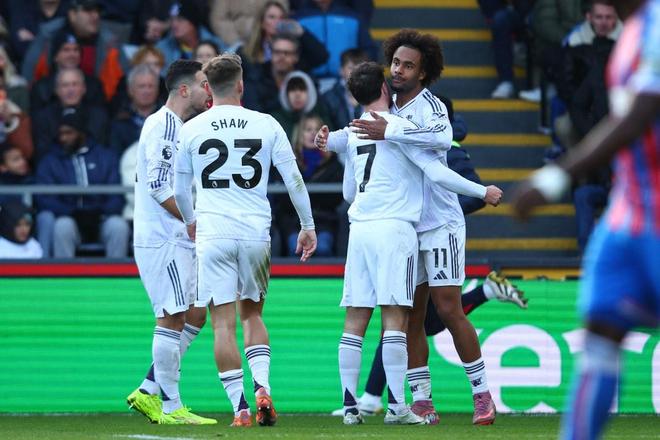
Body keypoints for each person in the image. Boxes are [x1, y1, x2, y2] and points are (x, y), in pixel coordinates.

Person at [320, 29, 501, 425]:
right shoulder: (387, 104)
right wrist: (329, 140)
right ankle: (421, 399)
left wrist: (390, 130)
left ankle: (482, 394)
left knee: (449, 307)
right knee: (411, 315)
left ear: (423, 72)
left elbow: (442, 140)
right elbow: (354, 136)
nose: (399, 70)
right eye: (396, 63)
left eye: (408, 65)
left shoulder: (431, 107)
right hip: (403, 225)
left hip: (439, 222)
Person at [512, 1, 660, 439]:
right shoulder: (630, 32)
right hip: (628, 215)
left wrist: (556, 177)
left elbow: (641, 112)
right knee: (600, 334)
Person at [173, 53, 317, 427]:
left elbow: (180, 190)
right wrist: (307, 225)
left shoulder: (191, 129)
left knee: (222, 324)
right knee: (252, 314)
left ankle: (240, 408)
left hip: (213, 233)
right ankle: (262, 388)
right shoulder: (267, 124)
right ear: (240, 85)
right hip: (255, 233)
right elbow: (294, 180)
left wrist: (190, 221)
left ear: (208, 88)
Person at [126, 59, 215, 425]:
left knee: (195, 313)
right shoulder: (164, 124)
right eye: (203, 83)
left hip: (174, 236)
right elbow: (159, 186)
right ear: (184, 89)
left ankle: (148, 389)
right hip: (163, 237)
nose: (208, 90)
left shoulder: (177, 126)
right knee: (172, 316)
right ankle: (170, 405)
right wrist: (193, 221)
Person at [34, 107, 129, 258]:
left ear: (81, 133)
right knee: (62, 226)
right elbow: (43, 197)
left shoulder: (105, 156)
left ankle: (116, 273)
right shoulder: (50, 160)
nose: (63, 138)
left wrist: (99, 212)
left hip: (101, 218)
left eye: (69, 133)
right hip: (68, 217)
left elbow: (117, 196)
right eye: (61, 133)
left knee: (118, 226)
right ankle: (64, 273)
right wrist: (71, 212)